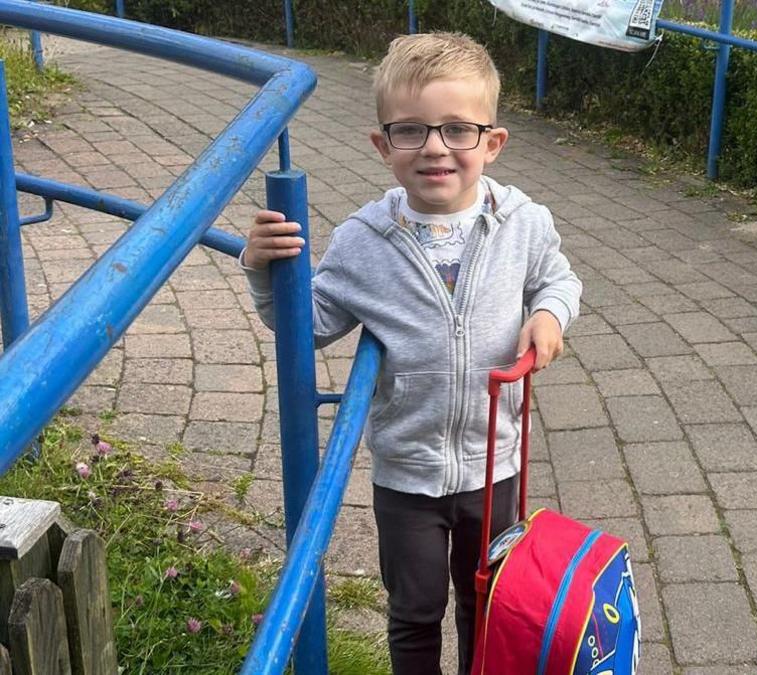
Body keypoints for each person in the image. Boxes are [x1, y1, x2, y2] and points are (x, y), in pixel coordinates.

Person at [240, 31, 582, 675]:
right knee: (416, 611)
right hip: (406, 475)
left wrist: (547, 313)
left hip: (495, 465)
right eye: (411, 131)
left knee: (488, 604)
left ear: (493, 142)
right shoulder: (362, 240)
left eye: (458, 129)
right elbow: (309, 324)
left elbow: (557, 277)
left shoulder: (525, 222)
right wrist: (264, 272)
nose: (434, 148)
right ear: (381, 145)